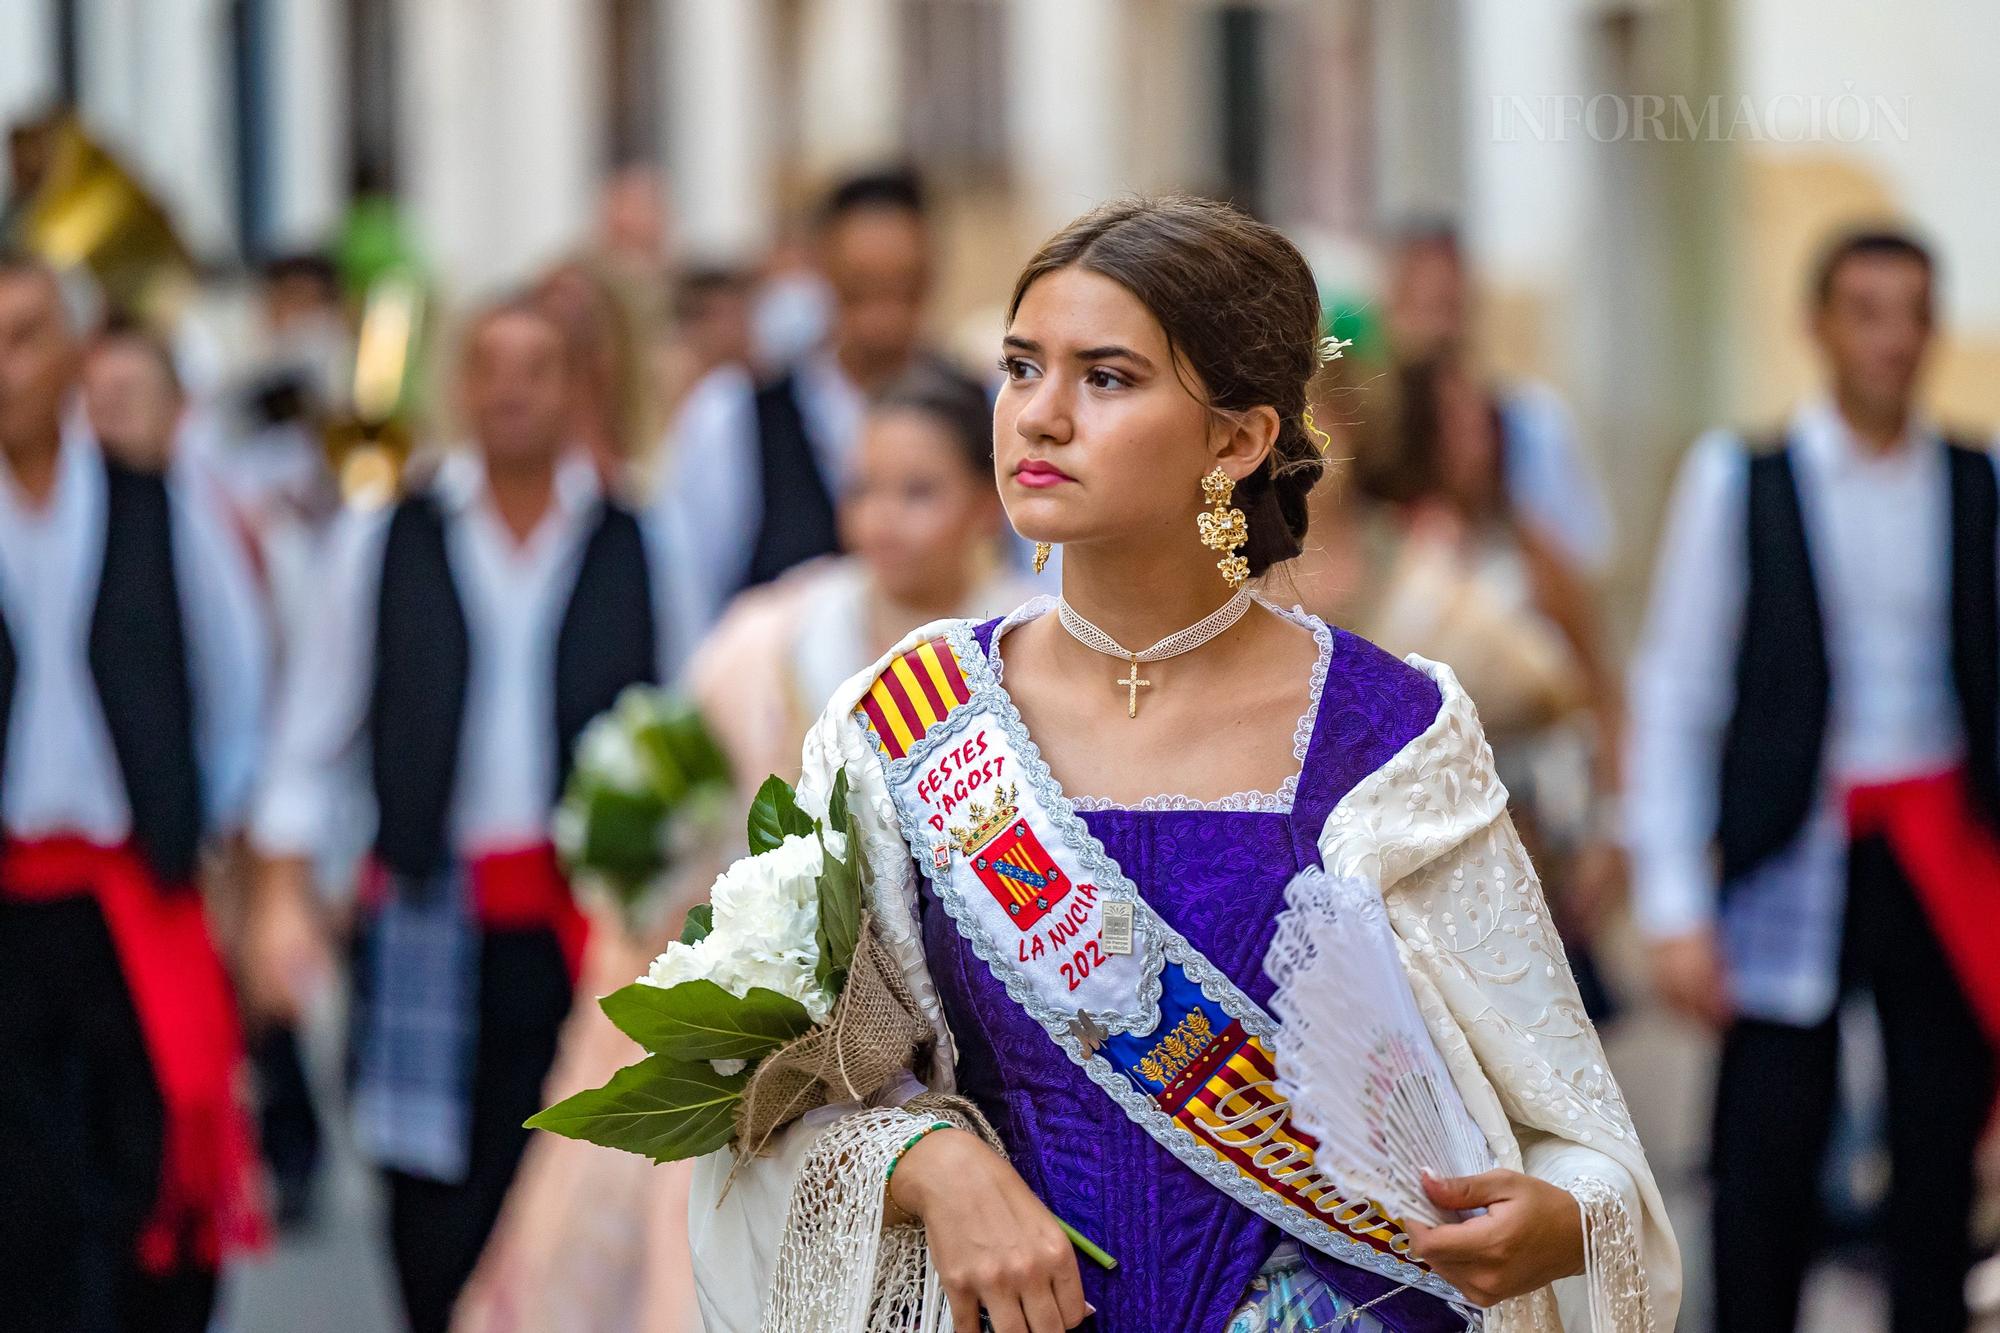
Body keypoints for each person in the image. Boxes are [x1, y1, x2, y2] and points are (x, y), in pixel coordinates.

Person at [689, 197, 1677, 1333]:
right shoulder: (907, 725)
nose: (1039, 418)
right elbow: (771, 1092)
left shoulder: (1386, 736)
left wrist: (1559, 1222)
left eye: (1105, 378)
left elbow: (1576, 1145)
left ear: (1238, 437)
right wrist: (925, 1163)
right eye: (1020, 368)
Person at [453, 369, 1033, 1333]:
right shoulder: (774, 635)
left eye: (917, 491)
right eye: (864, 489)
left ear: (988, 498)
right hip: (777, 1045)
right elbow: (689, 806)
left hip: (962, 1046)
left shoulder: (1021, 647)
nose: (882, 517)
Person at [244, 297, 673, 1333]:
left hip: (590, 933)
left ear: (579, 385)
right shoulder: (383, 537)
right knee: (432, 1218)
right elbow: (310, 739)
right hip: (429, 922)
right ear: (459, 387)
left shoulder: (643, 538)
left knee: (576, 1207)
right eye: (490, 366)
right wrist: (281, 900)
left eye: (539, 365)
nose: (514, 387)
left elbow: (689, 726)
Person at [1628, 228, 2000, 1333]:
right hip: (1793, 842)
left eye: (1909, 312)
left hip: (1936, 838)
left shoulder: (1975, 477)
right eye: (1864, 310)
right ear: (1818, 326)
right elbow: (1677, 689)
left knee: (1937, 1146)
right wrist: (1673, 901)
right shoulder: (1740, 478)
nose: (1889, 339)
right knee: (1767, 1147)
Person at [0, 255, 269, 1330]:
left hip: (133, 895)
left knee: (150, 1177)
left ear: (71, 354)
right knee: (21, 1201)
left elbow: (234, 680)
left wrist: (213, 842)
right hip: (10, 905)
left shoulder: (160, 501)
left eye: (22, 337)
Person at [1327, 354, 1627, 1019]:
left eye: (1481, 419)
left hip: (1531, 839)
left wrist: (1611, 829)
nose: (1478, 439)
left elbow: (1590, 686)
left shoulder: (1529, 546)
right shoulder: (1377, 552)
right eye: (1452, 421)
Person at [656, 169, 985, 641]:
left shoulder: (989, 410)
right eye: (861, 288)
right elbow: (689, 600)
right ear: (821, 274)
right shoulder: (734, 417)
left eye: (904, 288)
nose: (885, 315)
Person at [1382, 223, 1613, 576]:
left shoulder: (1531, 421)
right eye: (1419, 307)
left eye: (1446, 306)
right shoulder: (1370, 430)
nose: (1435, 330)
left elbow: (1580, 562)